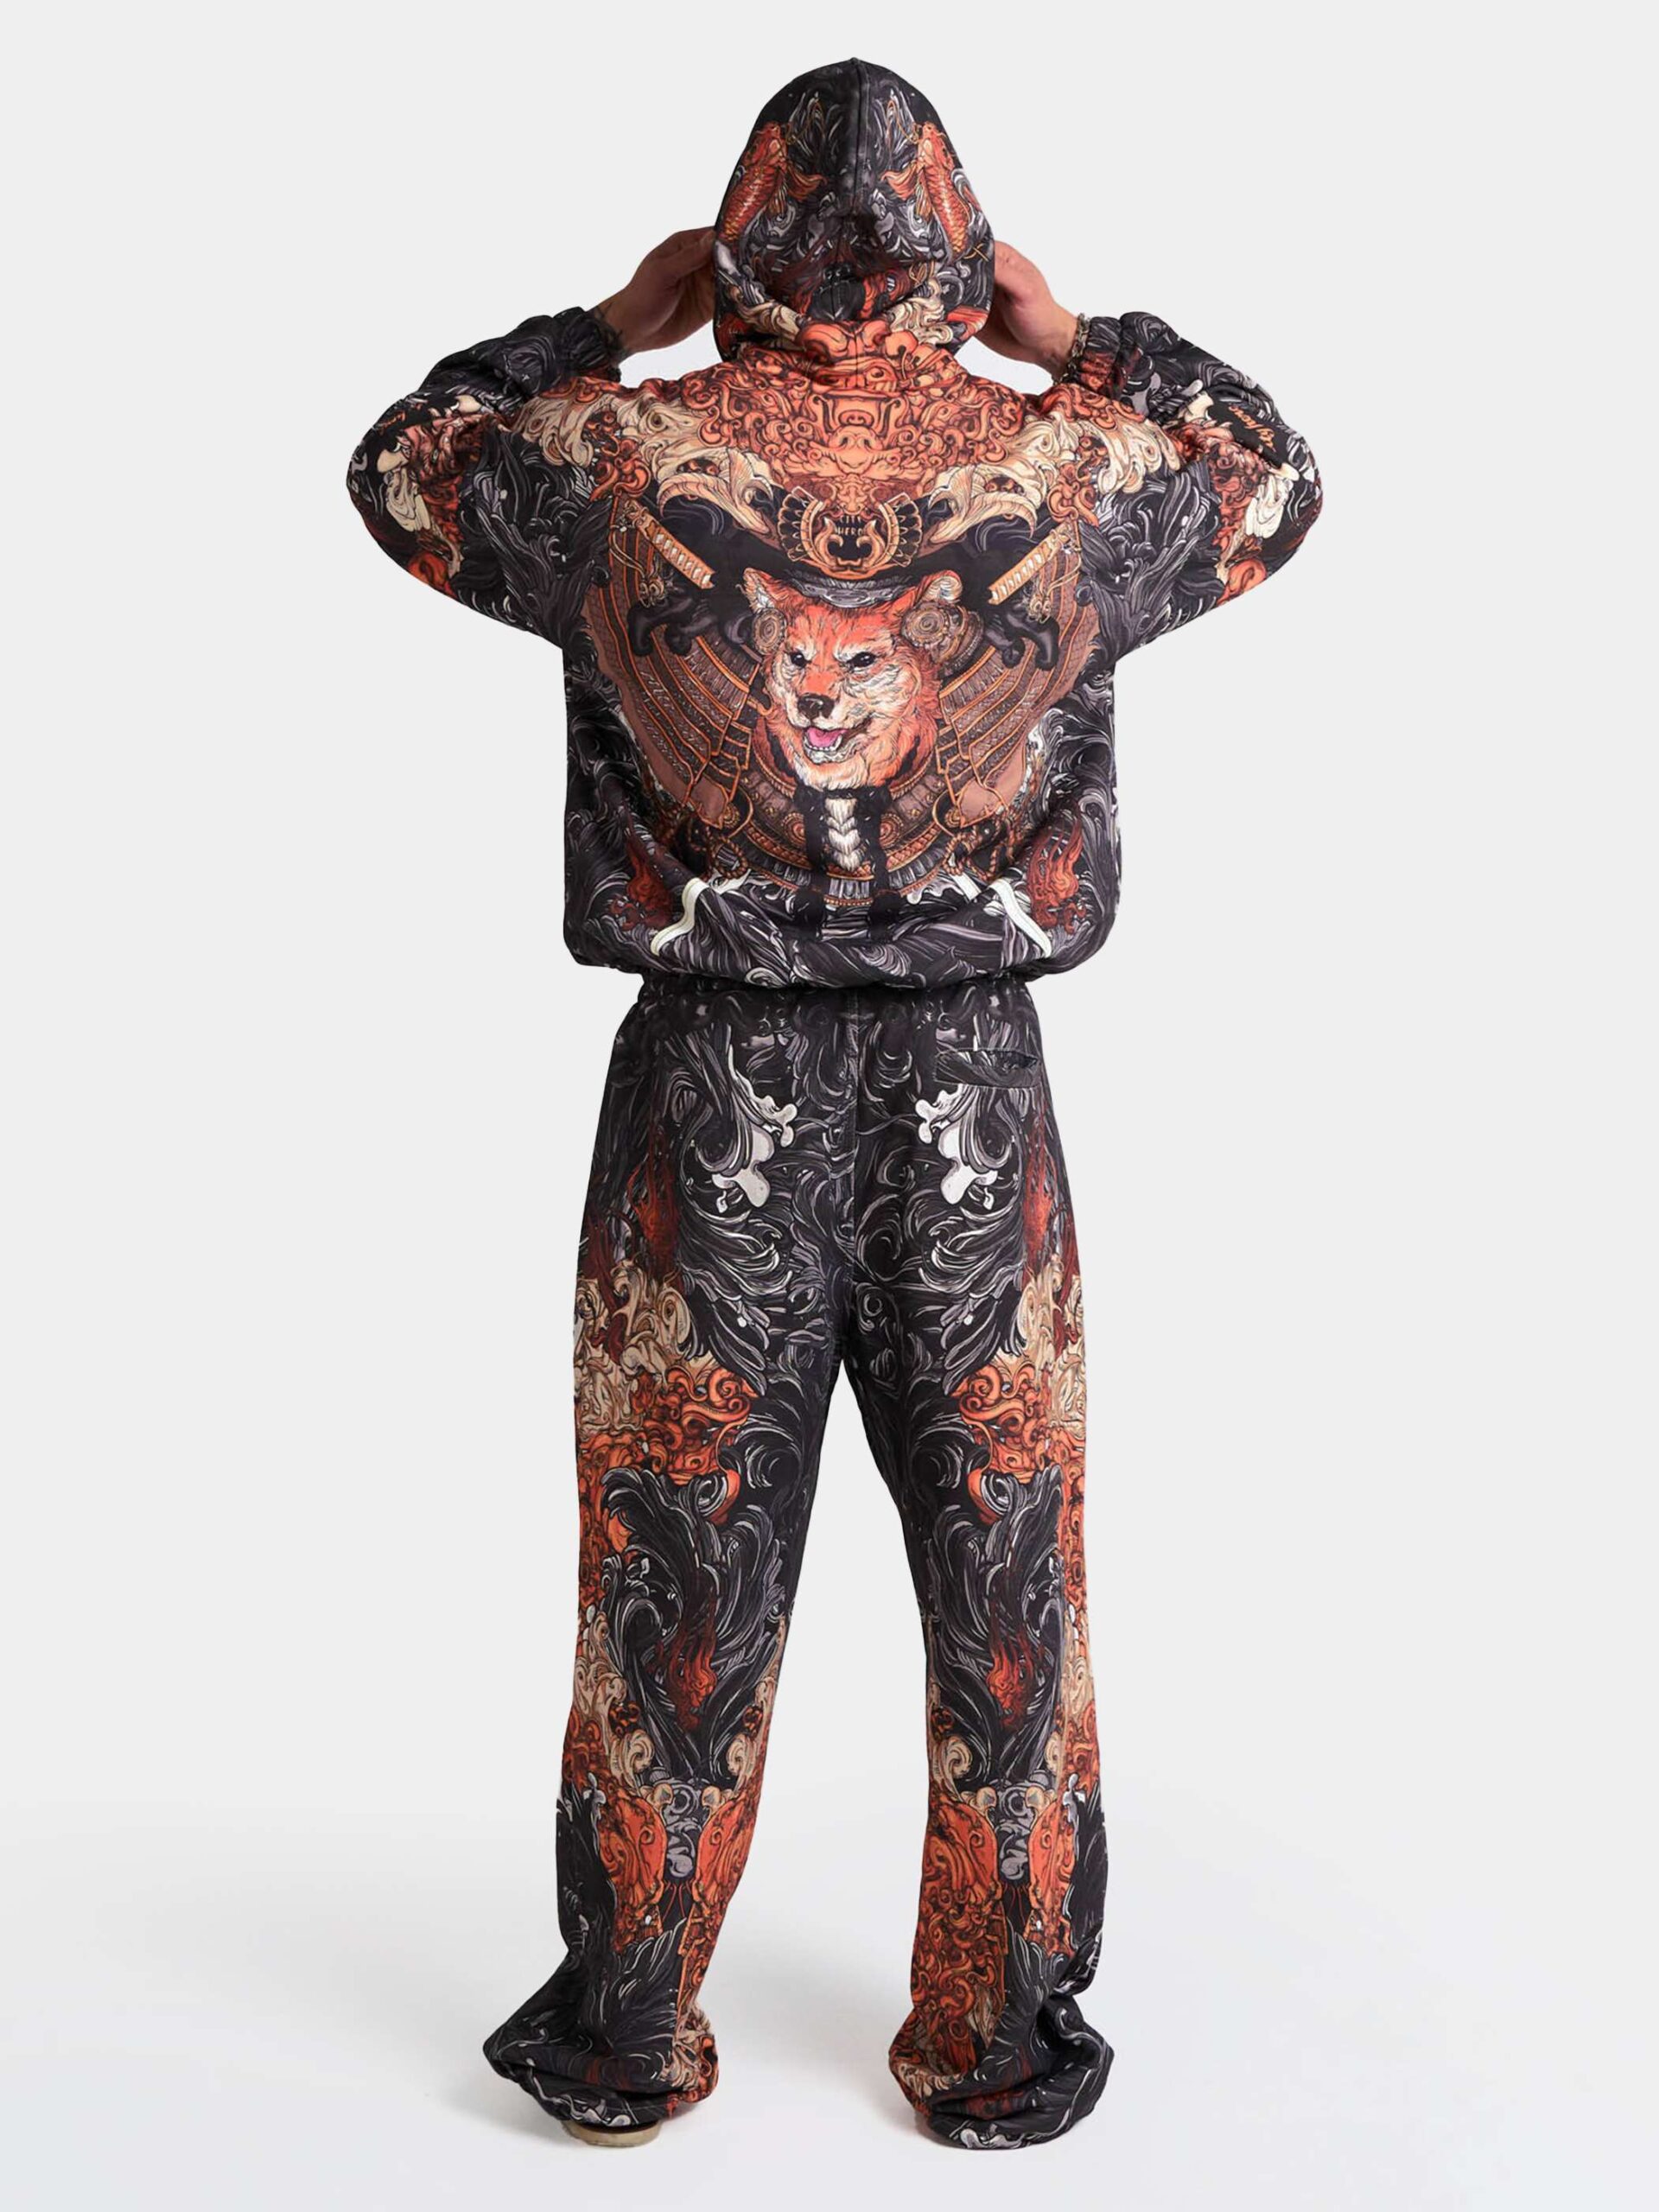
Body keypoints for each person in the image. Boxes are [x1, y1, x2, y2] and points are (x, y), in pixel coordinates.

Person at [347, 55, 1321, 2153]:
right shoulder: (1061, 469)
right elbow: (1271, 477)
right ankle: (999, 2033)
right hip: (976, 1090)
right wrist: (1081, 337)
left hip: (715, 1084)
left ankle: (625, 2025)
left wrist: (607, 324)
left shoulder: (626, 458)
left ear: (745, 235)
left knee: (674, 1562)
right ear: (957, 243)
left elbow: (404, 468)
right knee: (1010, 1568)